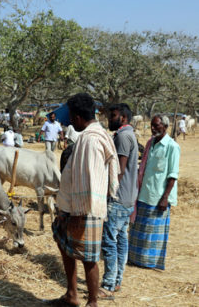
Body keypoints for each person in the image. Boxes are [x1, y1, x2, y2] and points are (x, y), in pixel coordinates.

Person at [51, 93, 119, 307]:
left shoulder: (90, 140)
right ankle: (71, 294)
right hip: (73, 207)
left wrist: (78, 214)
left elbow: (88, 178)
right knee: (62, 241)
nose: (70, 121)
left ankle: (92, 302)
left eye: (71, 116)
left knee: (89, 258)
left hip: (84, 209)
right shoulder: (97, 134)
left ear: (78, 117)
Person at [128, 114, 180, 270]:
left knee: (153, 233)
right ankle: (135, 259)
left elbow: (173, 175)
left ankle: (149, 262)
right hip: (143, 193)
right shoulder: (150, 143)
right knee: (139, 229)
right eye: (152, 125)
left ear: (165, 127)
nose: (153, 128)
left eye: (156, 125)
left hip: (158, 197)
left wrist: (165, 198)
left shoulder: (172, 146)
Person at [99, 103, 139, 299]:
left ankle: (108, 283)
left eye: (113, 116)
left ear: (123, 117)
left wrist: (109, 193)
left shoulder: (122, 136)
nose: (110, 119)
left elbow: (120, 170)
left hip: (119, 197)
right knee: (121, 239)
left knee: (109, 241)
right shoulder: (130, 134)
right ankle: (117, 280)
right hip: (129, 197)